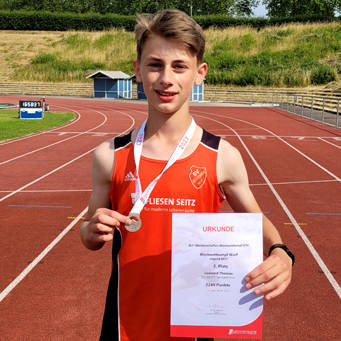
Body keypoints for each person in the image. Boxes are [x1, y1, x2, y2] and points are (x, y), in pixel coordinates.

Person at [80, 9, 294, 341]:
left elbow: (256, 220)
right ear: (138, 70)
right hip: (125, 324)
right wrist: (91, 230)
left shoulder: (222, 156)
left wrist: (281, 252)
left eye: (179, 66)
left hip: (195, 326)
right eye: (155, 64)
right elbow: (88, 231)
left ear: (199, 73)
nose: (166, 78)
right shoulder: (110, 156)